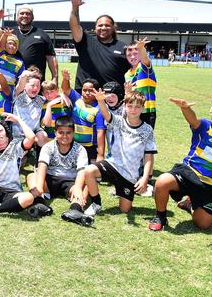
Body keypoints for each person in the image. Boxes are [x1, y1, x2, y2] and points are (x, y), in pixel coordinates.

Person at [62, 90, 156, 226]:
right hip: (112, 165)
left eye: (137, 106)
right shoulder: (119, 122)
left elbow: (149, 157)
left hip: (129, 175)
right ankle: (96, 203)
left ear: (143, 107)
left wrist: (145, 178)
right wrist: (100, 101)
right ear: (125, 107)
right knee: (89, 171)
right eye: (130, 106)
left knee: (124, 209)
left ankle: (123, 193)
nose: (133, 110)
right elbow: (106, 114)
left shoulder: (147, 130)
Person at [148, 97, 212, 232]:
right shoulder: (205, 126)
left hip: (209, 184)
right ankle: (160, 217)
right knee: (162, 181)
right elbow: (193, 120)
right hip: (189, 173)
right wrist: (185, 108)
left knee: (204, 225)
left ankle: (189, 203)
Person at [26, 116, 88, 218]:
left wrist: (77, 188)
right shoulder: (48, 147)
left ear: (73, 133)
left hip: (70, 181)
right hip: (51, 179)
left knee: (86, 185)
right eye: (61, 132)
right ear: (55, 132)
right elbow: (42, 167)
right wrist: (40, 188)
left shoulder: (80, 149)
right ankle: (39, 204)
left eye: (68, 133)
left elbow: (82, 171)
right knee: (32, 176)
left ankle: (76, 209)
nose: (64, 136)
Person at [69, 0, 130, 91]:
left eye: (107, 25)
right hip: (86, 96)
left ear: (113, 28)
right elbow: (74, 26)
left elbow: (133, 72)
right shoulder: (85, 41)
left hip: (112, 98)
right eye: (100, 25)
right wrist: (75, 7)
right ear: (95, 28)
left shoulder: (123, 47)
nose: (103, 27)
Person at [0, 7, 58, 83]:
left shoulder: (42, 34)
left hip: (34, 82)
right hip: (10, 82)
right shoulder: (9, 32)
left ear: (32, 17)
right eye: (22, 13)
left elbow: (51, 57)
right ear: (17, 17)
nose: (25, 15)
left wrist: (55, 77)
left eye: (28, 14)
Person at [61, 69, 106, 163]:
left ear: (97, 91)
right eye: (84, 90)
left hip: (89, 148)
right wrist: (65, 79)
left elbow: (100, 133)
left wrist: (100, 155)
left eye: (91, 91)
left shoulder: (99, 109)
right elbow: (66, 89)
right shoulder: (77, 99)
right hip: (73, 144)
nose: (87, 93)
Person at [125, 38, 157, 128]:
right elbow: (129, 95)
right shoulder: (127, 74)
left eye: (136, 54)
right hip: (132, 111)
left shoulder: (144, 68)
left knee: (145, 140)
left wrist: (141, 48)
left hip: (147, 111)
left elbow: (145, 59)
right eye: (129, 55)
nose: (132, 57)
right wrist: (127, 91)